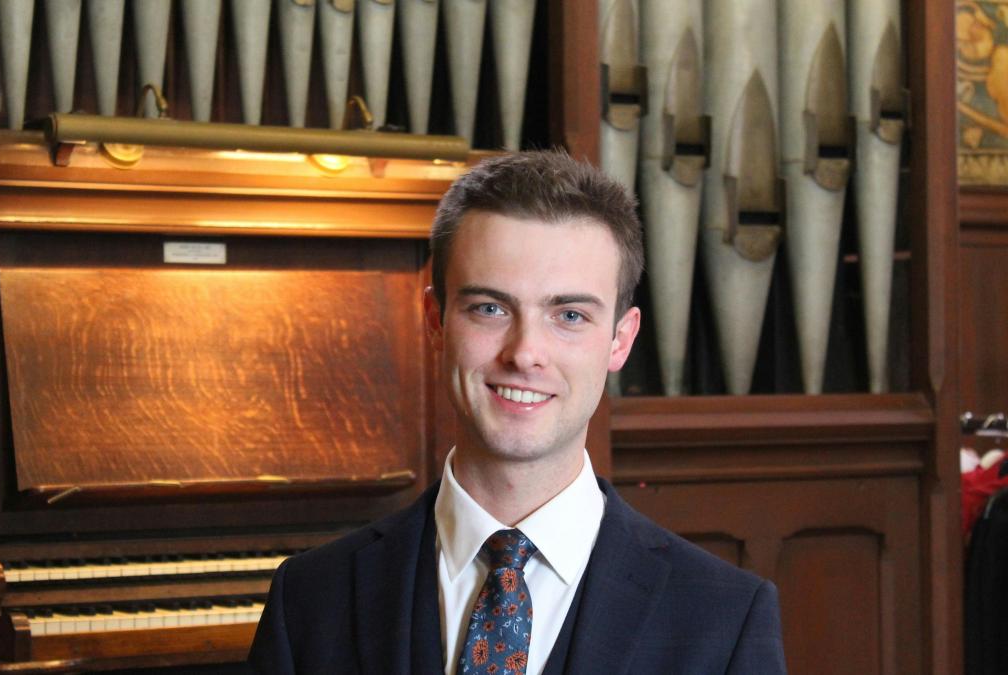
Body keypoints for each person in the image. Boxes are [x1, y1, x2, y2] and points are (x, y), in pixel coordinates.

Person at [248, 150, 787, 674]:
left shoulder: (726, 618)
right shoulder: (309, 599)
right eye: (490, 308)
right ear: (435, 320)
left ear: (620, 341)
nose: (525, 352)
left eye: (569, 315)